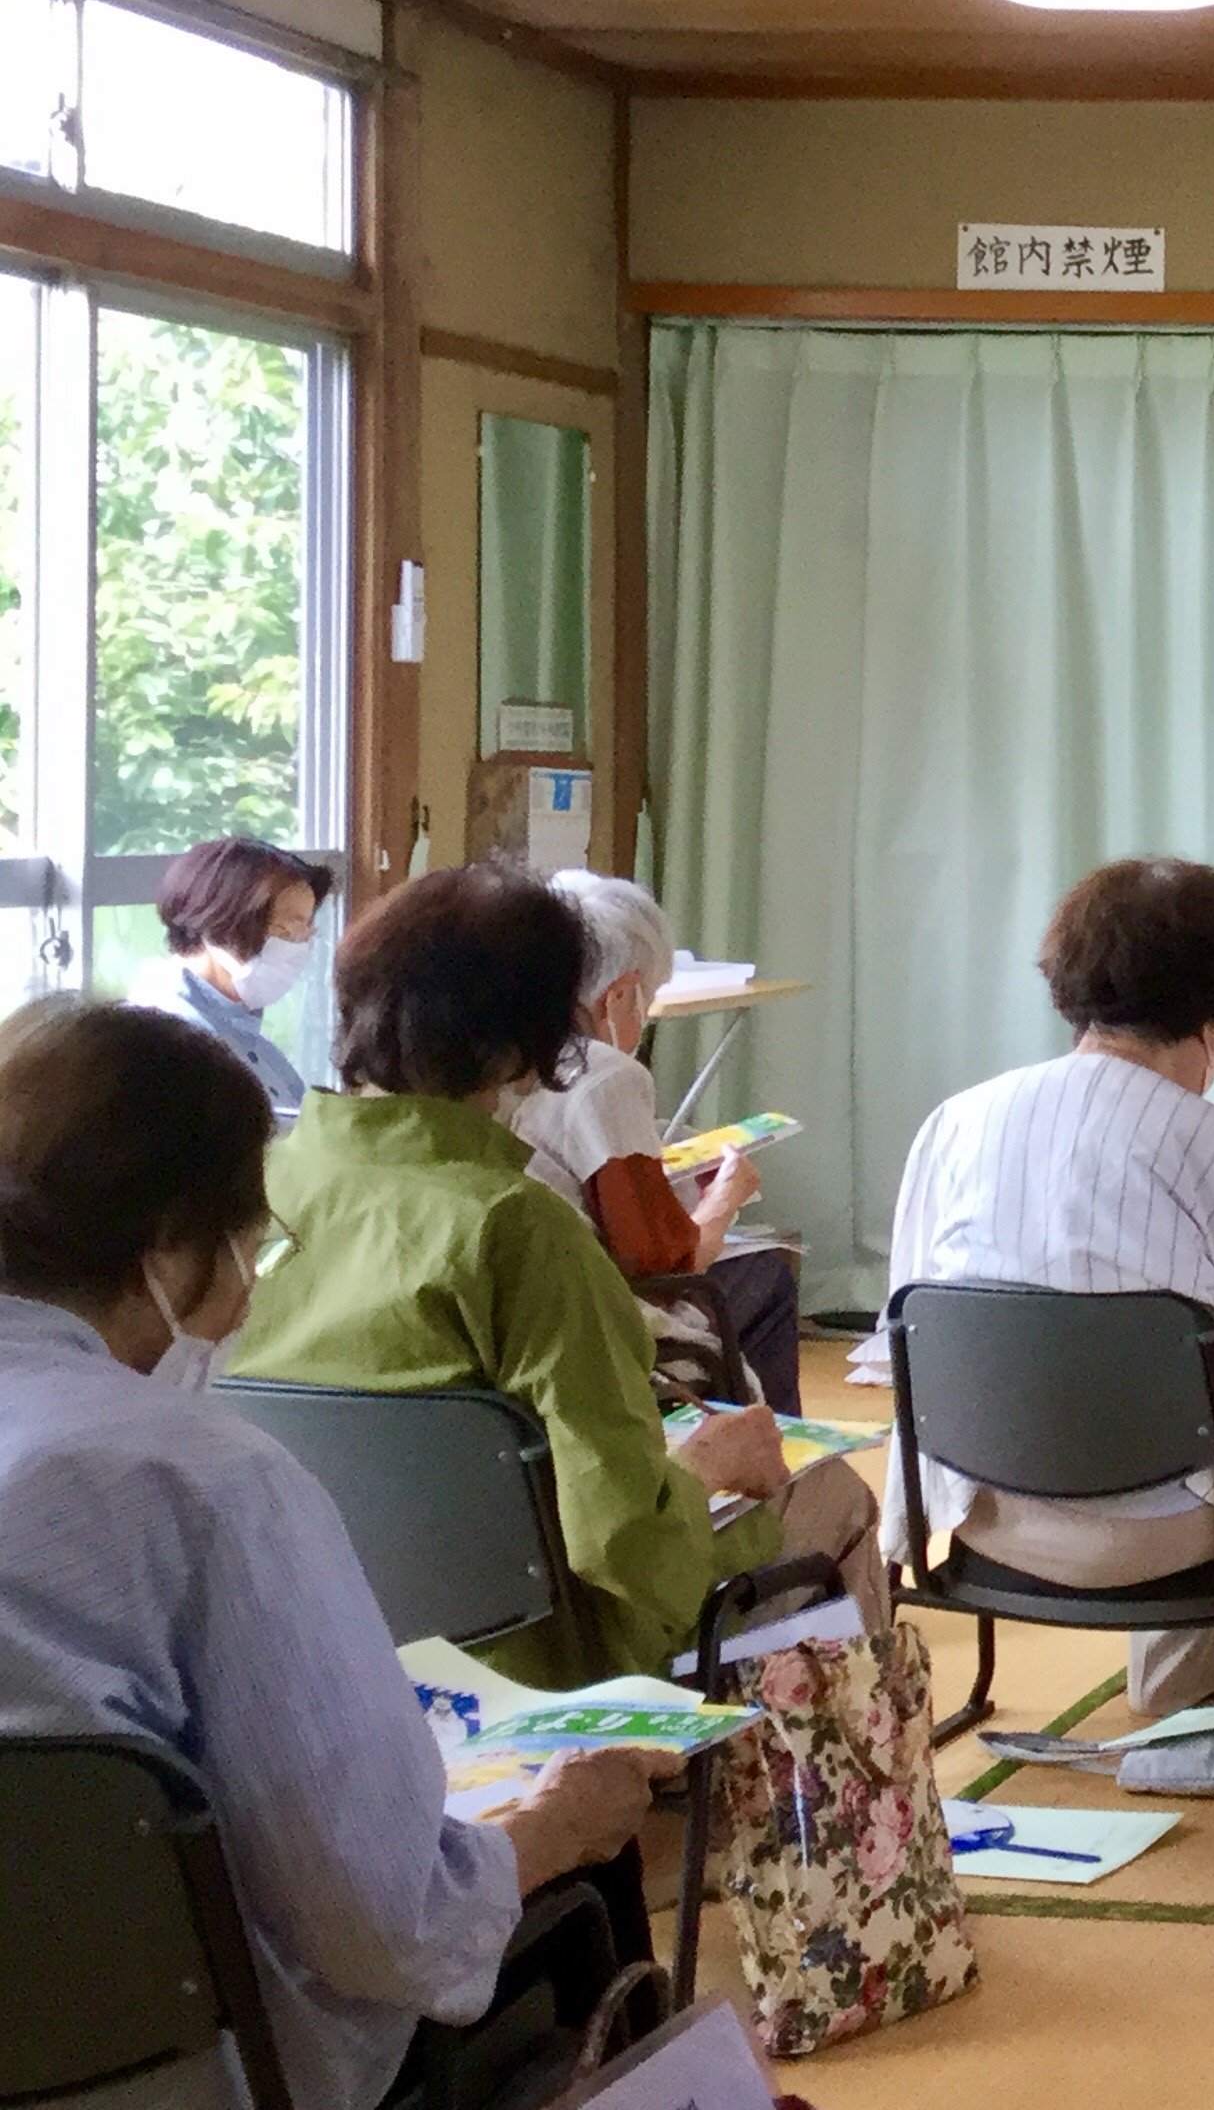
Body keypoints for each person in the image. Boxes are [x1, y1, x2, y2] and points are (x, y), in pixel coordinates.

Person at [0, 999, 667, 2110]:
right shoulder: (208, 1485)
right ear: (168, 1244)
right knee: (587, 1874)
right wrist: (551, 1828)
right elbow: (380, 1926)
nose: (248, 1295)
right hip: (187, 2075)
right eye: (247, 1248)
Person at [232, 864, 885, 1687]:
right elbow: (622, 1541)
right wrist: (709, 1467)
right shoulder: (514, 1227)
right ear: (529, 1048)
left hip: (312, 1627)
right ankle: (774, 1768)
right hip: (530, 1648)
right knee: (838, 1499)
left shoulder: (255, 1186)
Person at [872, 857, 1214, 1717]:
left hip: (978, 1513)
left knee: (1198, 1362)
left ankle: (1184, 1683)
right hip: (1170, 1542)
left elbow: (906, 1334)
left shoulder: (953, 1126)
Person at [515, 868, 800, 1410]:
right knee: (766, 1276)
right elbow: (665, 1270)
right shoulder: (604, 1074)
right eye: (646, 1000)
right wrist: (724, 1198)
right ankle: (766, 1448)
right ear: (619, 994)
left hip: (520, 1309)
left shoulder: (505, 1055)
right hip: (602, 1325)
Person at [128, 833, 333, 1125]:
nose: (299, 948)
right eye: (287, 931)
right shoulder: (173, 1045)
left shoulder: (242, 1033)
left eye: (307, 933)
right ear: (220, 924)